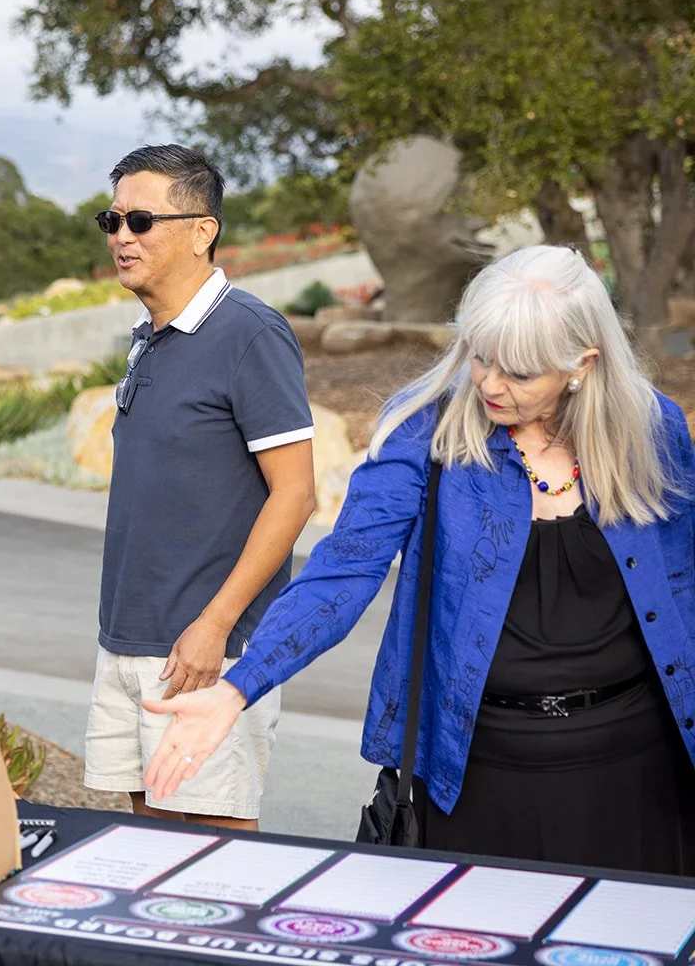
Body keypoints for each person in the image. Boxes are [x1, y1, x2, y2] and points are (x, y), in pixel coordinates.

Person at [145, 245, 695, 874]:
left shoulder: (655, 432)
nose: (488, 383)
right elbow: (344, 569)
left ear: (582, 365)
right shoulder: (424, 431)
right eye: (479, 355)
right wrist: (237, 689)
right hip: (477, 770)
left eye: (517, 372)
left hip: (637, 768)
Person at [83, 144, 317, 831]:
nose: (121, 237)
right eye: (113, 220)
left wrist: (215, 626)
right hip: (127, 639)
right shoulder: (150, 336)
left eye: (141, 221)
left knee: (212, 864)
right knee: (146, 846)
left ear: (202, 230)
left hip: (206, 652)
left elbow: (296, 495)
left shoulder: (250, 334)